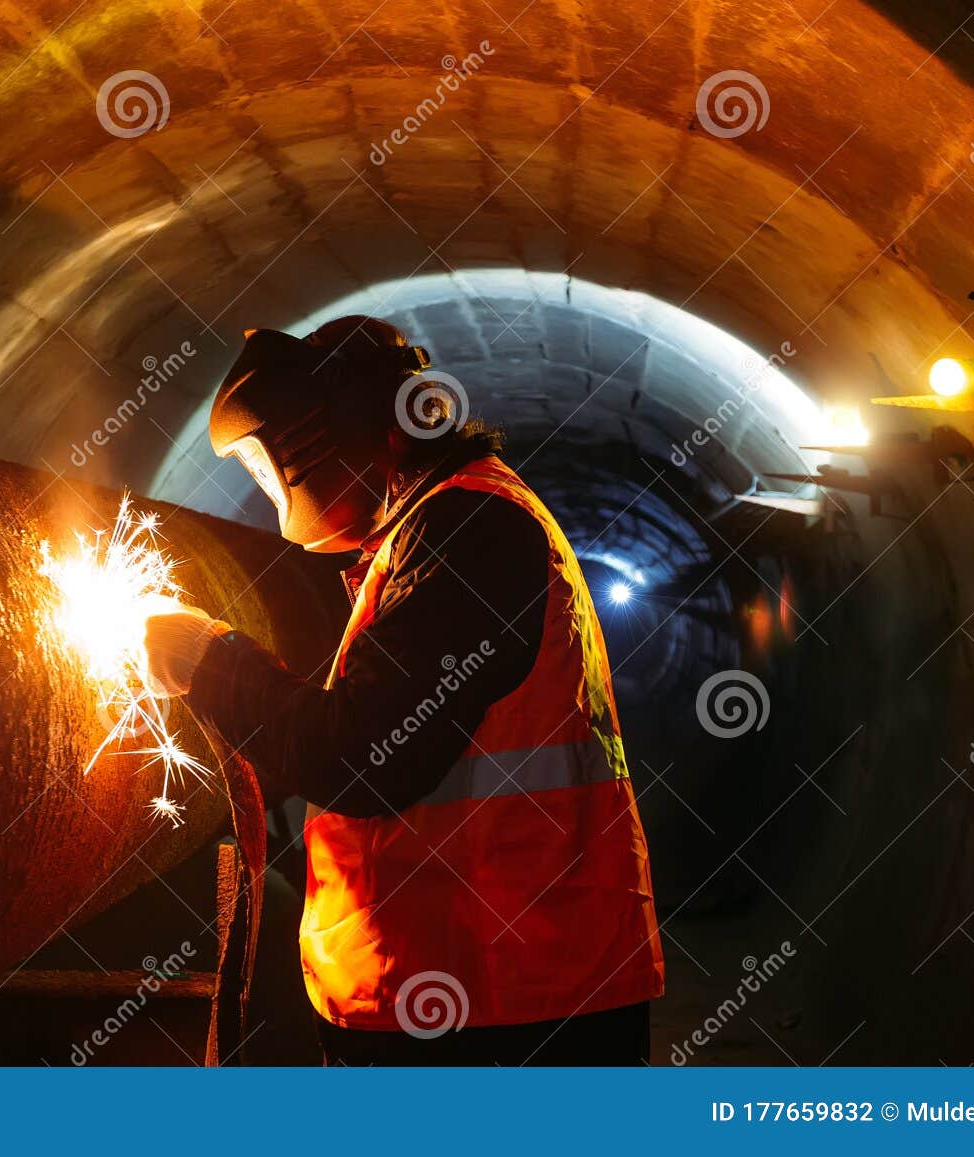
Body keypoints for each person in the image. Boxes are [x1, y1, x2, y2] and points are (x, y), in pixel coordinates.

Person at [143, 316, 664, 1066]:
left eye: (271, 464)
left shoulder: (471, 525)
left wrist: (209, 660)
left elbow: (362, 754)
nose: (272, 488)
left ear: (340, 430)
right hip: (477, 986)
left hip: (502, 1004)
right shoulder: (433, 531)